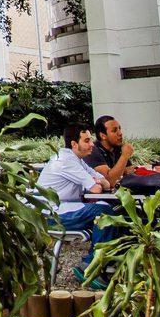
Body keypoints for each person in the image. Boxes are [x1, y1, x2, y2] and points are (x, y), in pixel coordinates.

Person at [39, 123, 118, 281]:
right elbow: (96, 189)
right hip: (51, 216)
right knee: (104, 214)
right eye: (87, 141)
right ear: (74, 144)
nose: (92, 144)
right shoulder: (65, 161)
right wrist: (97, 182)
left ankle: (106, 265)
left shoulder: (77, 160)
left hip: (65, 209)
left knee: (112, 212)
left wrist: (98, 181)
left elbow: (107, 183)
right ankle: (90, 267)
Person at [86, 115, 132, 188]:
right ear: (103, 136)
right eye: (114, 130)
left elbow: (130, 171)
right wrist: (124, 156)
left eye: (119, 129)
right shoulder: (93, 151)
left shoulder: (117, 148)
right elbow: (109, 182)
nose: (120, 133)